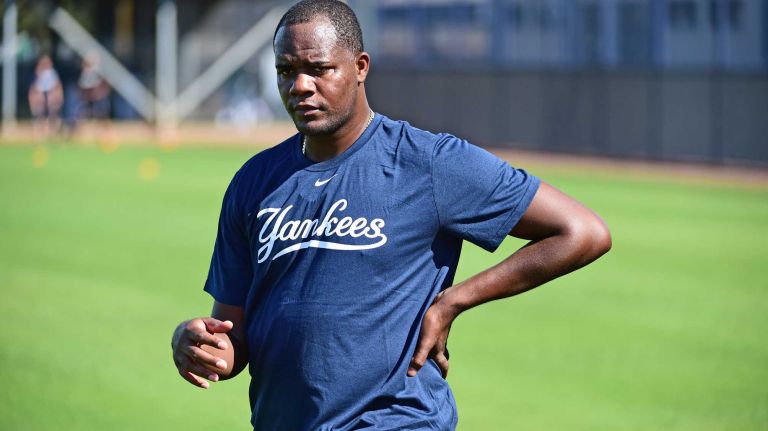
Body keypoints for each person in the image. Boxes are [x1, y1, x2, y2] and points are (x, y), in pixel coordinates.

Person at [170, 1, 611, 429]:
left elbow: (582, 232)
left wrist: (454, 301)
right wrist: (205, 347)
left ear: (360, 67)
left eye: (319, 69)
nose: (300, 85)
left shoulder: (429, 162)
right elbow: (234, 332)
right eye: (286, 71)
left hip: (396, 420)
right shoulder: (254, 181)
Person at [28, 55, 64, 138]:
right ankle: (40, 131)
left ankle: (54, 131)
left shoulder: (53, 73)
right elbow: (33, 89)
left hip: (51, 96)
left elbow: (57, 87)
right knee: (39, 109)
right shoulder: (37, 74)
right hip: (41, 96)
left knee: (53, 109)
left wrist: (57, 96)